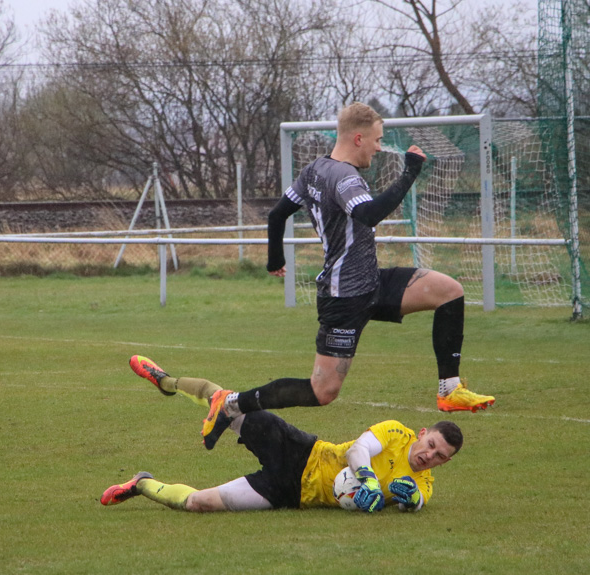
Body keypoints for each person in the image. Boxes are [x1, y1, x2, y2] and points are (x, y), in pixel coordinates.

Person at [201, 103, 494, 446]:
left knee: (450, 290)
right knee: (322, 391)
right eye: (377, 140)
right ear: (358, 138)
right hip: (344, 297)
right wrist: (409, 173)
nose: (379, 147)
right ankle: (232, 403)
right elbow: (368, 214)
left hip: (372, 281)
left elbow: (277, 214)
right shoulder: (344, 177)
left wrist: (274, 259)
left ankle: (450, 389)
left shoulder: (313, 170)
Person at [102, 356, 464, 514]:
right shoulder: (398, 434)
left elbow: (415, 501)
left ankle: (141, 484)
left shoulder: (424, 484)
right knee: (228, 403)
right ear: (422, 434)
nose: (429, 456)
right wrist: (368, 480)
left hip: (289, 494)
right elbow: (358, 450)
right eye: (431, 445)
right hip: (301, 451)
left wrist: (409, 502)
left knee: (199, 504)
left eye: (439, 457)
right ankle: (166, 381)